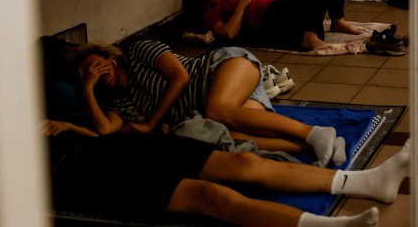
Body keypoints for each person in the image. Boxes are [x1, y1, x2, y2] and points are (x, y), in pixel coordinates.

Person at [43, 118, 410, 227]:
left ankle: (367, 183)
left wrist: (68, 127)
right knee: (206, 195)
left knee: (245, 163)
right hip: (70, 172)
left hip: (97, 144)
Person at [72, 40, 346, 165]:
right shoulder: (121, 102)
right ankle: (315, 143)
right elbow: (105, 131)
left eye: (97, 66)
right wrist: (87, 87)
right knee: (233, 136)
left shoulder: (138, 50)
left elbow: (180, 77)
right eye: (89, 74)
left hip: (224, 67)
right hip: (226, 107)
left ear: (112, 58)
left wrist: (152, 123)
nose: (96, 74)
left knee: (218, 111)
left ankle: (314, 132)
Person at [183, 0, 362, 53]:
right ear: (205, 1)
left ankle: (337, 21)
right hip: (276, 18)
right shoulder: (211, 13)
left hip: (282, 13)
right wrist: (242, 6)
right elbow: (229, 33)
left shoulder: (229, 3)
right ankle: (308, 37)